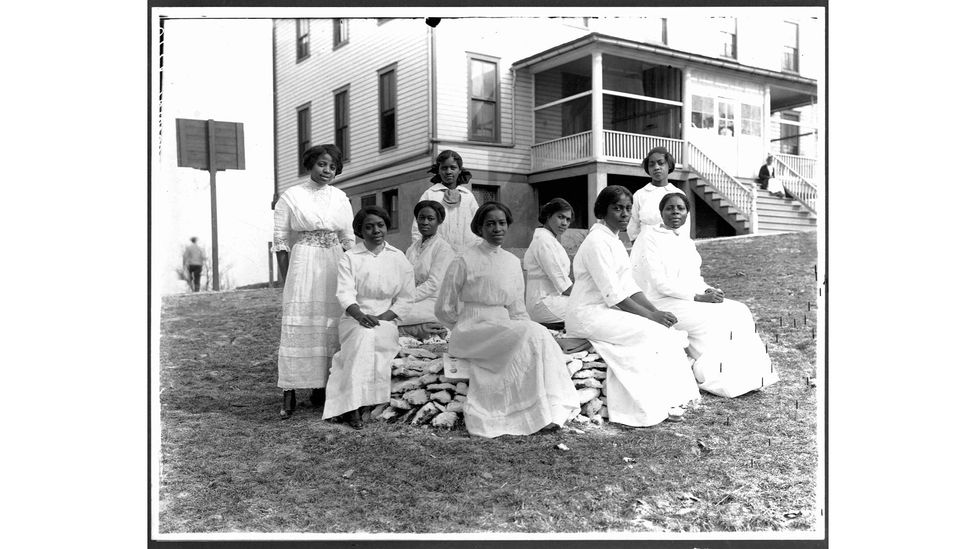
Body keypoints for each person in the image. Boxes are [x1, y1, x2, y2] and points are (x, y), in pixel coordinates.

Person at [435, 202, 580, 437]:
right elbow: (443, 308)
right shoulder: (463, 260)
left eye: (501, 223)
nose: (497, 228)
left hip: (503, 328)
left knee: (536, 332)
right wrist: (461, 326)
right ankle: (521, 414)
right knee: (531, 333)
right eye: (490, 224)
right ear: (479, 228)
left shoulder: (513, 262)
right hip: (471, 330)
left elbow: (517, 309)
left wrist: (526, 325)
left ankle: (549, 411)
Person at [564, 186, 700, 427]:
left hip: (605, 311)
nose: (625, 214)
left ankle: (669, 398)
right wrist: (650, 316)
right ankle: (634, 409)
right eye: (617, 208)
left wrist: (655, 312)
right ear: (602, 211)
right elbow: (614, 295)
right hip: (587, 314)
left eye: (628, 208)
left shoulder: (614, 240)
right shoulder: (597, 241)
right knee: (649, 332)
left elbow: (629, 286)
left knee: (661, 331)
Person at [638, 192, 779, 398]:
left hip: (689, 297)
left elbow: (695, 277)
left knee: (739, 310)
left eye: (681, 208)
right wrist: (697, 297)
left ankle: (749, 376)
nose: (675, 212)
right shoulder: (649, 238)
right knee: (712, 318)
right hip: (663, 301)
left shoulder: (686, 241)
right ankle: (717, 377)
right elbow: (660, 283)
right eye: (670, 208)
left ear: (687, 213)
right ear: (661, 212)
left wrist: (707, 290)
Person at [271, 144, 355, 419]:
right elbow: (281, 239)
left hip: (333, 262)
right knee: (301, 316)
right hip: (304, 261)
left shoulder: (341, 197)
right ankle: (291, 390)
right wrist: (286, 279)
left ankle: (323, 386)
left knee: (331, 320)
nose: (326, 170)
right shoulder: (292, 196)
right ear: (310, 164)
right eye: (321, 164)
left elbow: (348, 239)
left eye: (332, 166)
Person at [323, 206, 415, 429]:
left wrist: (385, 316)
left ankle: (370, 402)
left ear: (386, 227)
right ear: (360, 231)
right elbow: (344, 293)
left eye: (380, 225)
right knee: (363, 338)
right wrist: (360, 315)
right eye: (369, 227)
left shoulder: (398, 257)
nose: (376, 230)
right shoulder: (350, 257)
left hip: (385, 318)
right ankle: (350, 406)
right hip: (354, 319)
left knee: (379, 339)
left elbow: (406, 296)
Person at [628, 147, 690, 295]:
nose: (656, 167)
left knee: (668, 287)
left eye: (661, 163)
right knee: (646, 288)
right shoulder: (640, 195)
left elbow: (684, 228)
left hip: (670, 247)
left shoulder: (678, 194)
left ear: (669, 165)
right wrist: (640, 248)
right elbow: (633, 226)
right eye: (652, 164)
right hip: (644, 247)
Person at [398, 200, 454, 340]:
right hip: (414, 298)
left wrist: (407, 298)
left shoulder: (443, 249)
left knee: (394, 314)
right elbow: (405, 277)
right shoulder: (413, 248)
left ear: (439, 221)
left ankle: (417, 330)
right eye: (421, 218)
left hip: (434, 302)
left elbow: (433, 284)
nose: (425, 222)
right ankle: (414, 330)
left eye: (430, 219)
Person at [411, 150, 481, 253]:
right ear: (438, 170)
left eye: (453, 168)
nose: (448, 172)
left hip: (466, 254)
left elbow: (479, 225)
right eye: (444, 168)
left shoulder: (468, 196)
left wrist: (477, 251)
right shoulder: (430, 195)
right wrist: (421, 252)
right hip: (436, 255)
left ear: (460, 170)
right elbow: (417, 227)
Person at [523, 198, 574, 325]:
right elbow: (562, 283)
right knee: (592, 308)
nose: (564, 223)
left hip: (553, 299)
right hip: (544, 302)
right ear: (548, 216)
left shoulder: (549, 239)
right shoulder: (543, 241)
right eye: (560, 217)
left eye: (568, 219)